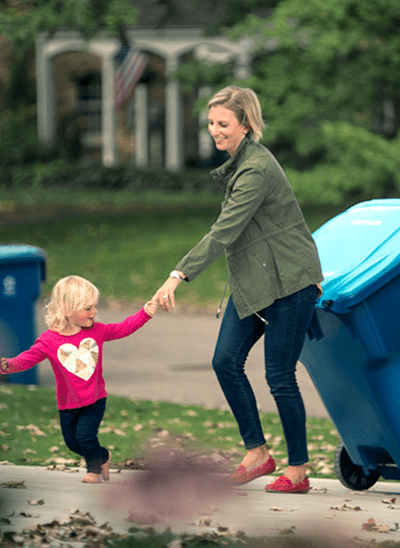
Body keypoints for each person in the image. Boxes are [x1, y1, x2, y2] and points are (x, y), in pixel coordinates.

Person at [152, 86, 323, 494]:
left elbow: (224, 230)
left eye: (223, 123)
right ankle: (257, 453)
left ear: (246, 125)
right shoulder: (240, 163)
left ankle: (298, 470)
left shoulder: (257, 169)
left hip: (290, 282)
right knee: (225, 361)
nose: (214, 130)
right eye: (211, 123)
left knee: (279, 376)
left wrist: (179, 274)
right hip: (256, 282)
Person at [0, 275, 158, 484]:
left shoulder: (97, 332)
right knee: (73, 443)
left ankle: (94, 471)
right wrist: (10, 365)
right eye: (88, 308)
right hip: (67, 403)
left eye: (94, 307)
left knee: (85, 436)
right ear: (67, 309)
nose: (95, 312)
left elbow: (124, 327)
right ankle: (103, 456)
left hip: (94, 399)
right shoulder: (49, 340)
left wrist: (144, 313)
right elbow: (29, 358)